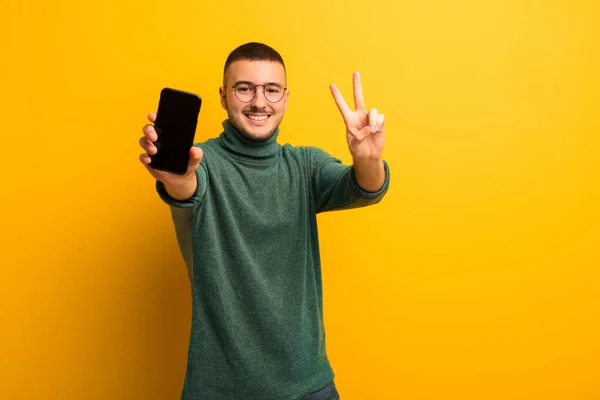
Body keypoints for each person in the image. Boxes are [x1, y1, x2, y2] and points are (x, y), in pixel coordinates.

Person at [138, 42, 390, 400]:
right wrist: (176, 179)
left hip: (309, 386)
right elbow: (186, 188)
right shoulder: (202, 162)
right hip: (222, 390)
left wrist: (368, 158)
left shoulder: (304, 166)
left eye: (271, 90)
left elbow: (367, 188)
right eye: (245, 89)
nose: (260, 101)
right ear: (224, 97)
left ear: (285, 99)